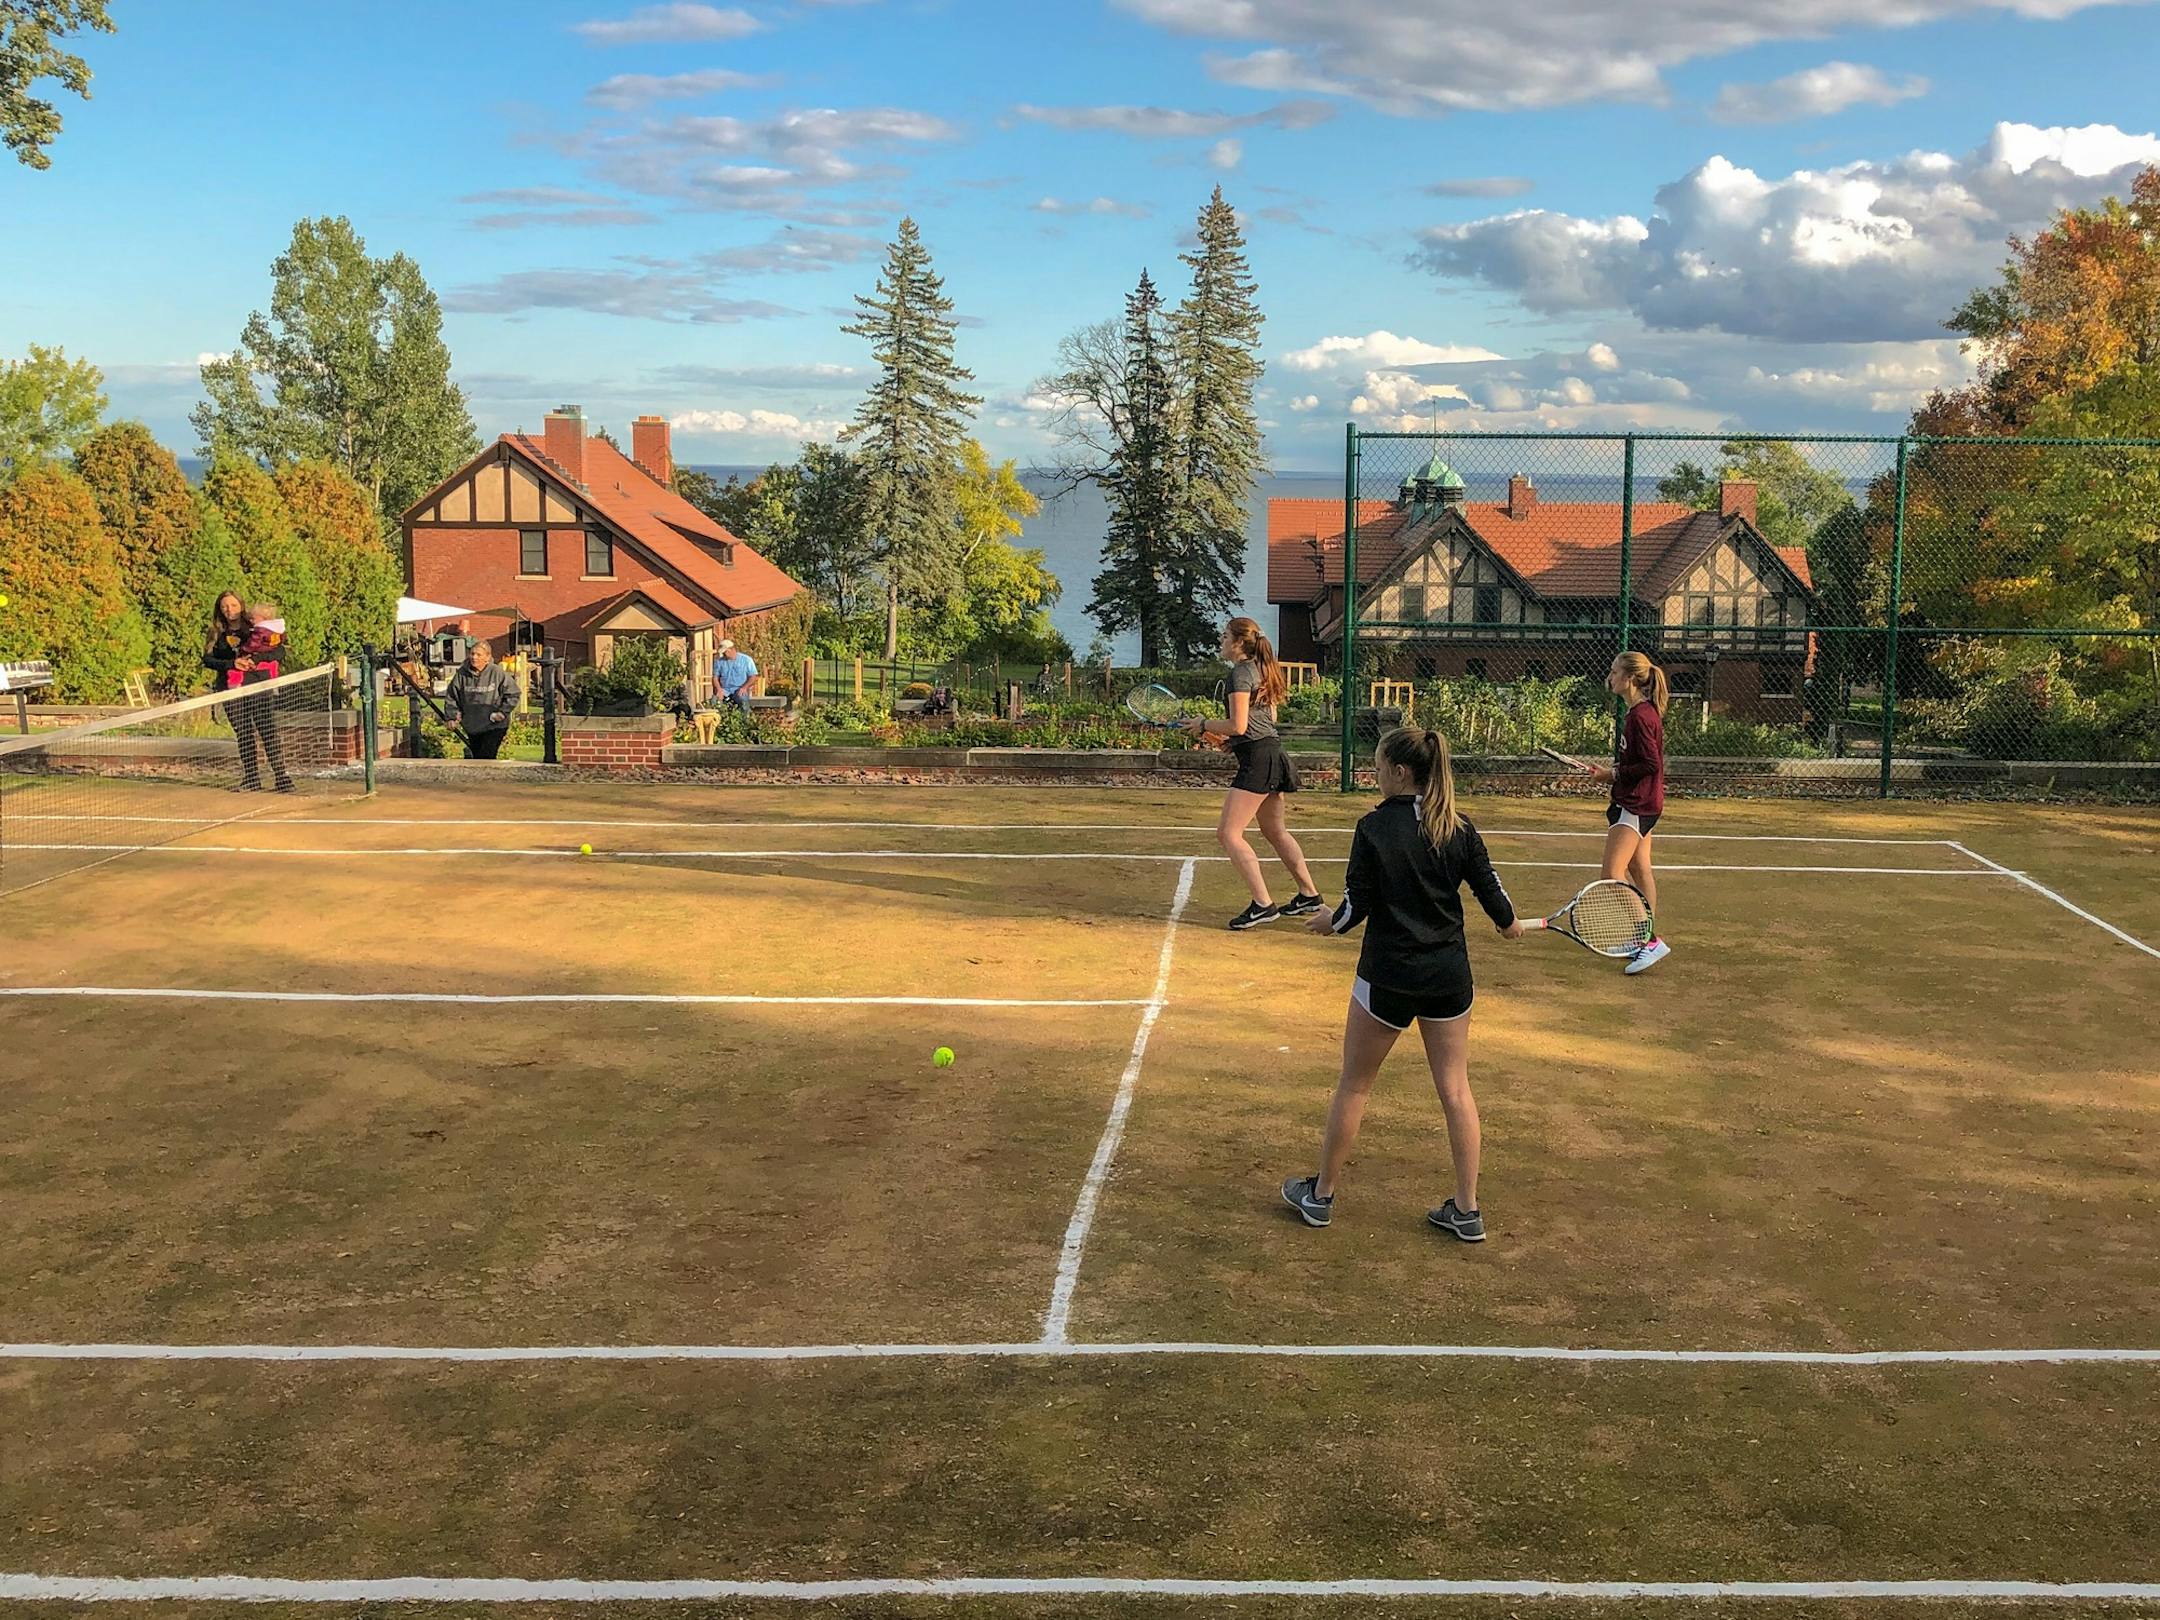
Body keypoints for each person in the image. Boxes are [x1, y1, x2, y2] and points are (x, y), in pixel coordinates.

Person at [1282, 726, 1523, 1239]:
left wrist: (1330, 922)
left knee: (1355, 1084)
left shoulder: (1373, 827)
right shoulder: (1459, 827)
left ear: (1400, 772)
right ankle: (1467, 1208)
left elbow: (1352, 908)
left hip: (1388, 976)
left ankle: (1321, 1196)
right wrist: (1510, 924)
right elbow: (1498, 906)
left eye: (1378, 765)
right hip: (1447, 976)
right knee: (1456, 1089)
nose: (1374, 772)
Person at [1183, 616, 1324, 931]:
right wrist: (1230, 741)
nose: (1220, 642)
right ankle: (1309, 895)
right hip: (1271, 752)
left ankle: (1263, 904)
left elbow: (1239, 724)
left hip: (1259, 760)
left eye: (1223, 637)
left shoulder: (1239, 674)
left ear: (1237, 643)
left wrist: (1204, 724)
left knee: (1228, 834)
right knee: (1275, 831)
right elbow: (1262, 721)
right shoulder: (1262, 669)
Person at [1584, 650, 1670, 975]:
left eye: (1615, 672)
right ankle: (1642, 940)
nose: (1611, 677)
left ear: (1630, 679)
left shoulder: (1640, 717)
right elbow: (1640, 761)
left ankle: (1648, 941)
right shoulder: (1640, 713)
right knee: (1640, 869)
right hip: (1645, 802)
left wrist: (1613, 775)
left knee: (1611, 875)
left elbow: (1650, 764)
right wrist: (1610, 772)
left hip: (1636, 804)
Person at [203, 592, 293, 792]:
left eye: (233, 605)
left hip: (258, 686)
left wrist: (256, 660)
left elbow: (279, 652)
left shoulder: (256, 627)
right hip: (230, 689)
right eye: (225, 606)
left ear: (241, 606)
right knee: (243, 733)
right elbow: (208, 660)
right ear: (219, 609)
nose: (230, 610)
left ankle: (281, 777)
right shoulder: (216, 632)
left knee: (268, 730)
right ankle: (251, 778)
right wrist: (231, 663)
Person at [442, 637, 520, 760]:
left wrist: (502, 712)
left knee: (486, 756)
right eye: (472, 654)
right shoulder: (462, 674)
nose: (474, 657)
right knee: (478, 757)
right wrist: (451, 717)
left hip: (494, 725)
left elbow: (513, 693)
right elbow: (452, 696)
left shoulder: (497, 673)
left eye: (479, 655)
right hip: (472, 725)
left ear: (487, 657)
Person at [713, 637, 759, 714]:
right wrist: (719, 689)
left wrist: (744, 687)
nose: (723, 654)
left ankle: (746, 722)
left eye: (725, 652)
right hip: (725, 690)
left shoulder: (746, 660)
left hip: (739, 689)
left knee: (743, 701)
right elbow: (715, 677)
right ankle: (720, 722)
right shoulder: (719, 662)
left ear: (731, 649)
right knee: (714, 701)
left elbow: (753, 676)